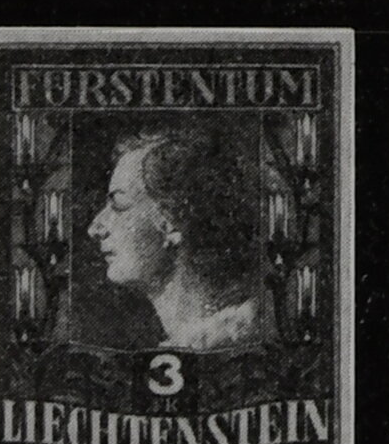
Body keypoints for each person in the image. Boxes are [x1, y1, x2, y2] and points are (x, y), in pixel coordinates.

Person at [85, 123, 265, 359]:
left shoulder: (232, 342)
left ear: (173, 219)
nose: (94, 228)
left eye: (119, 203)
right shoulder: (192, 345)